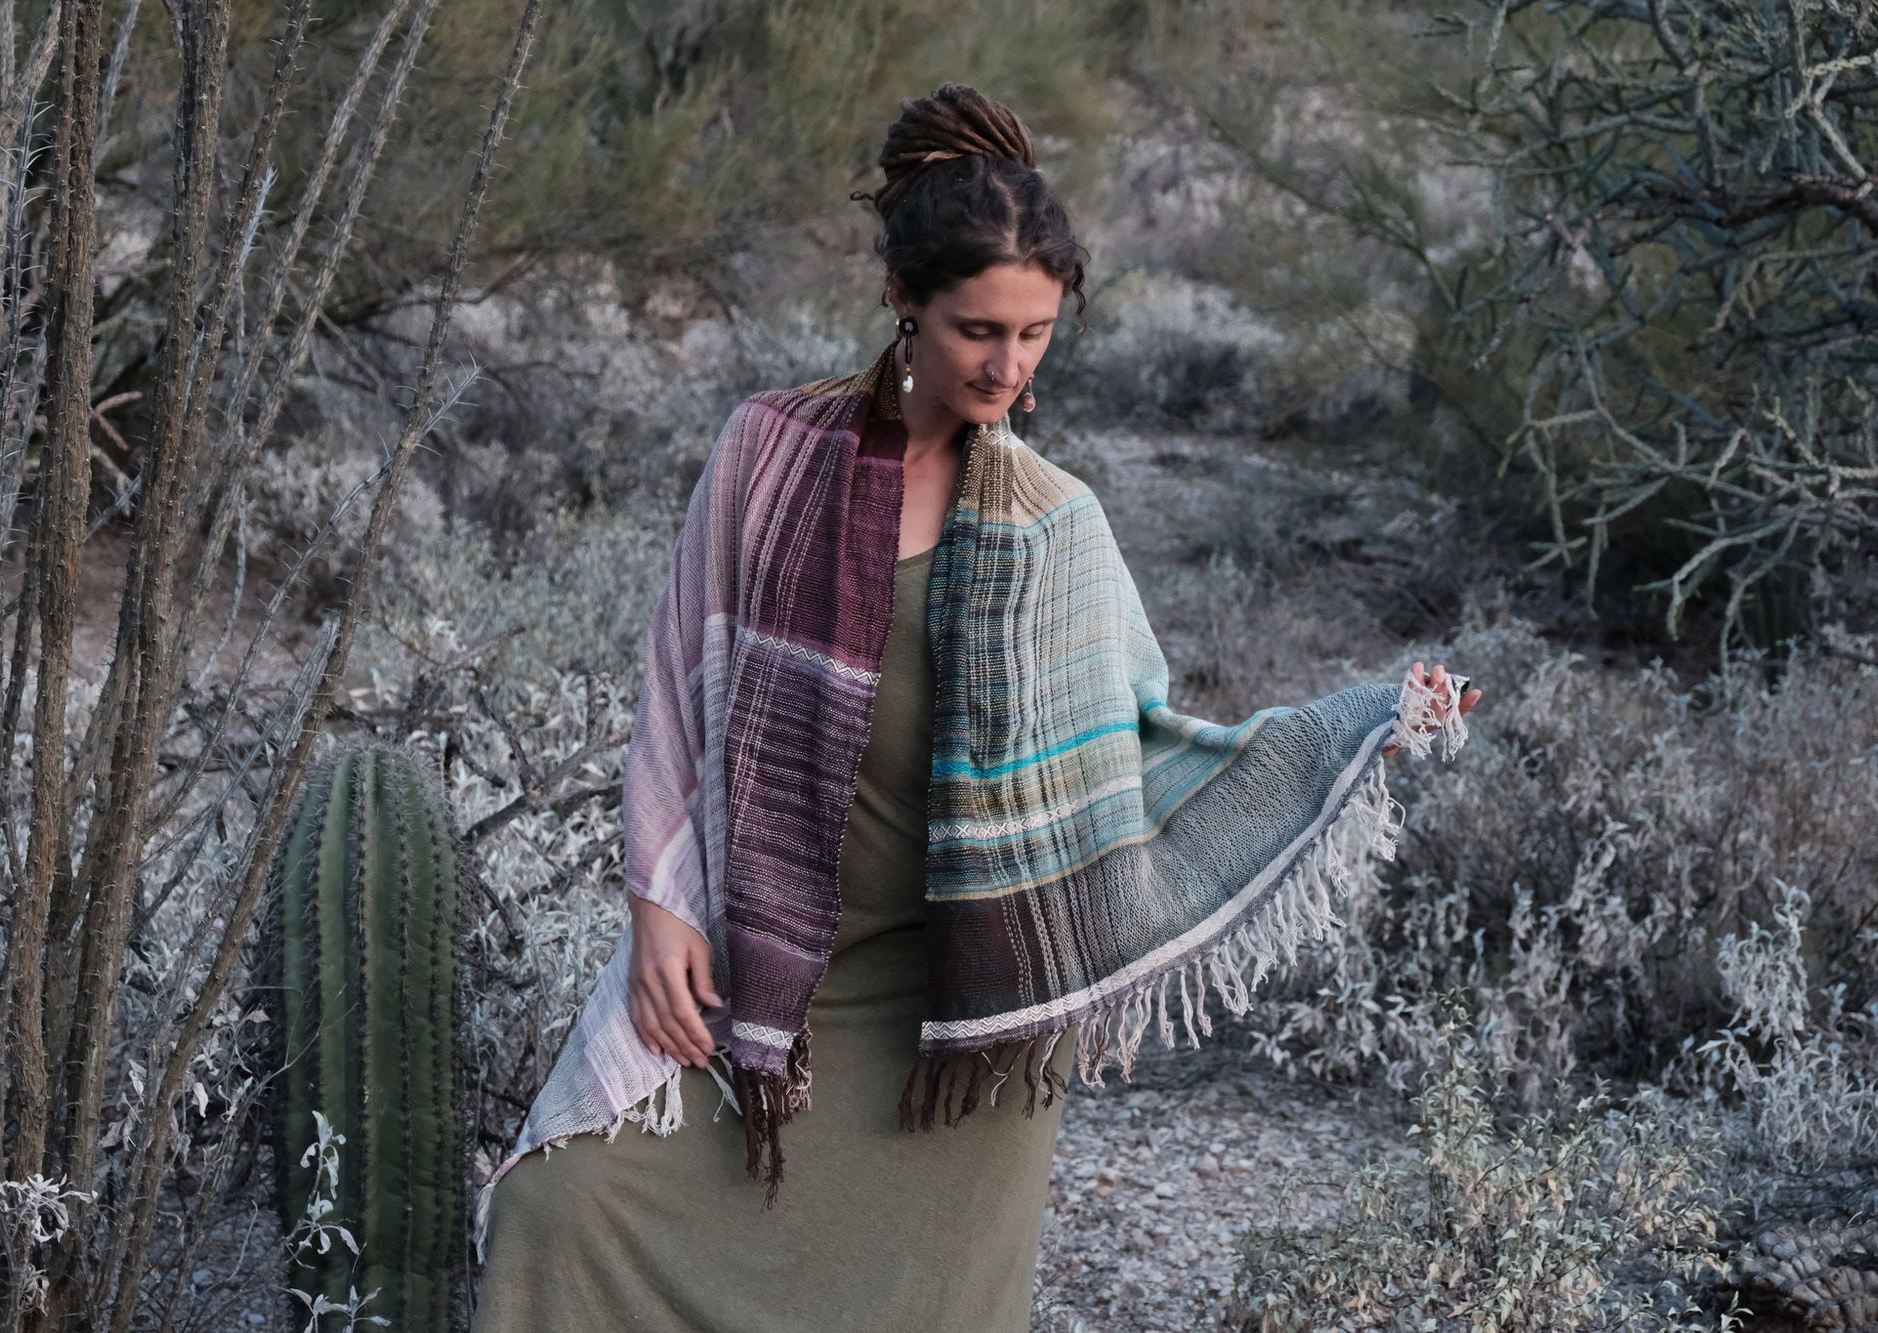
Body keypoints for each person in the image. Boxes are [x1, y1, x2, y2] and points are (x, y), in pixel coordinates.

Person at [472, 82, 1480, 1332]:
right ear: (904, 300)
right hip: (784, 960)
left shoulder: (1058, 526)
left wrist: (1370, 717)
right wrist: (654, 903)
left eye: (1037, 333)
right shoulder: (768, 457)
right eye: (977, 330)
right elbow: (677, 688)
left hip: (964, 1010)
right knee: (561, 1211)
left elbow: (1150, 745)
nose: (1008, 365)